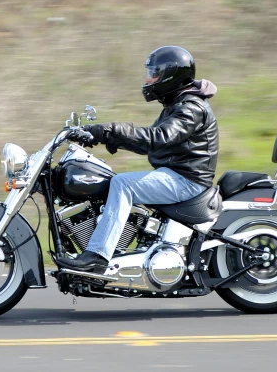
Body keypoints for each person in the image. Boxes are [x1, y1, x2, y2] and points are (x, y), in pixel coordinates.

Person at [56, 45, 219, 272]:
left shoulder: (191, 108)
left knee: (122, 184)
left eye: (155, 74)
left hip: (187, 181)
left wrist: (110, 131)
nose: (150, 80)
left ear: (171, 75)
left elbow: (159, 137)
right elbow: (150, 145)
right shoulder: (177, 105)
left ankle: (97, 256)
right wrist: (110, 138)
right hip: (174, 175)